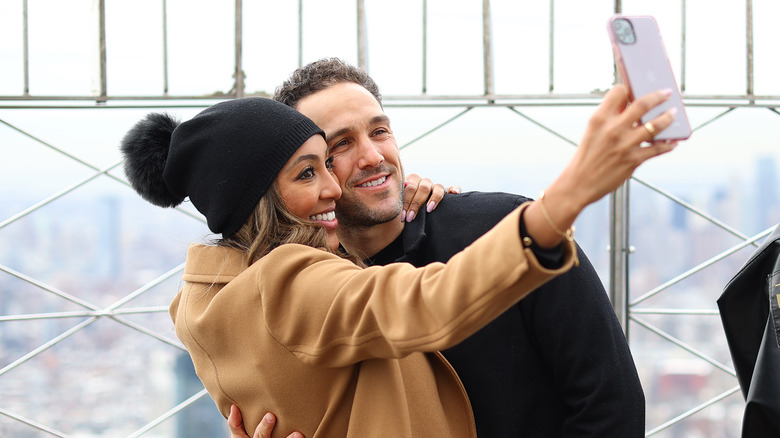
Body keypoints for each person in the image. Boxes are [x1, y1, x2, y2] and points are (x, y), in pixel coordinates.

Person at [121, 89, 674, 435]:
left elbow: (611, 404)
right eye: (316, 163)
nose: (344, 177)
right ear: (258, 196)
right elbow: (426, 303)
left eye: (380, 130)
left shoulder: (205, 298)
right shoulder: (289, 281)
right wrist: (565, 200)